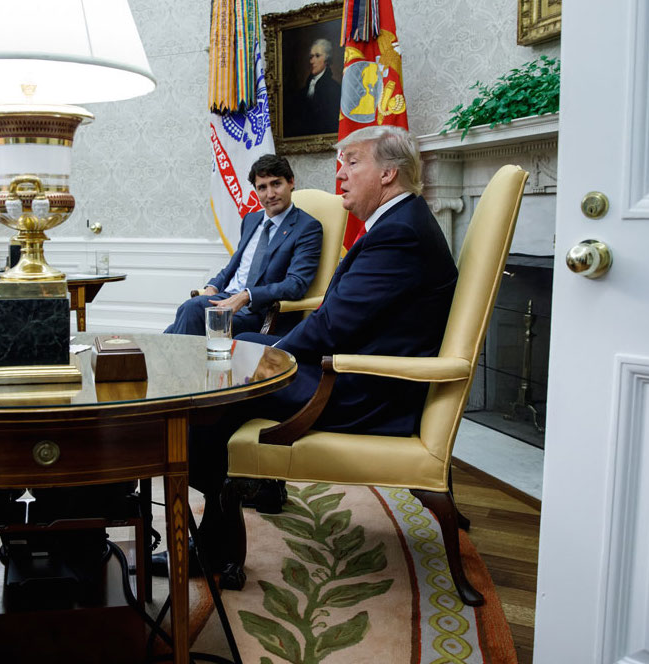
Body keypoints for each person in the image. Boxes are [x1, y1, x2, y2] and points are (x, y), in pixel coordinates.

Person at [188, 126, 459, 571]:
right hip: (361, 371)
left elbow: (333, 325)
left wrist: (274, 357)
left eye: (353, 161)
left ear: (389, 172)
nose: (340, 174)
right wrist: (267, 347)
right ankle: (248, 496)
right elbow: (342, 319)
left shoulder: (399, 234)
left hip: (362, 391)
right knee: (236, 350)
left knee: (216, 384)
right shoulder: (403, 221)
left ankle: (214, 544)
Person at [164, 154, 322, 337]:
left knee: (190, 312)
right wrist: (213, 286)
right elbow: (236, 266)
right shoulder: (251, 219)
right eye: (262, 187)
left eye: (276, 184)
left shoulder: (307, 227)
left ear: (291, 182)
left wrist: (247, 295)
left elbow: (296, 284)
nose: (270, 194)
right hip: (226, 299)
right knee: (172, 330)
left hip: (260, 312)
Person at [294, 38, 341, 136]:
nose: (312, 61)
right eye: (311, 57)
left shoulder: (335, 89)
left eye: (317, 56)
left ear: (327, 60)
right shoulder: (303, 91)